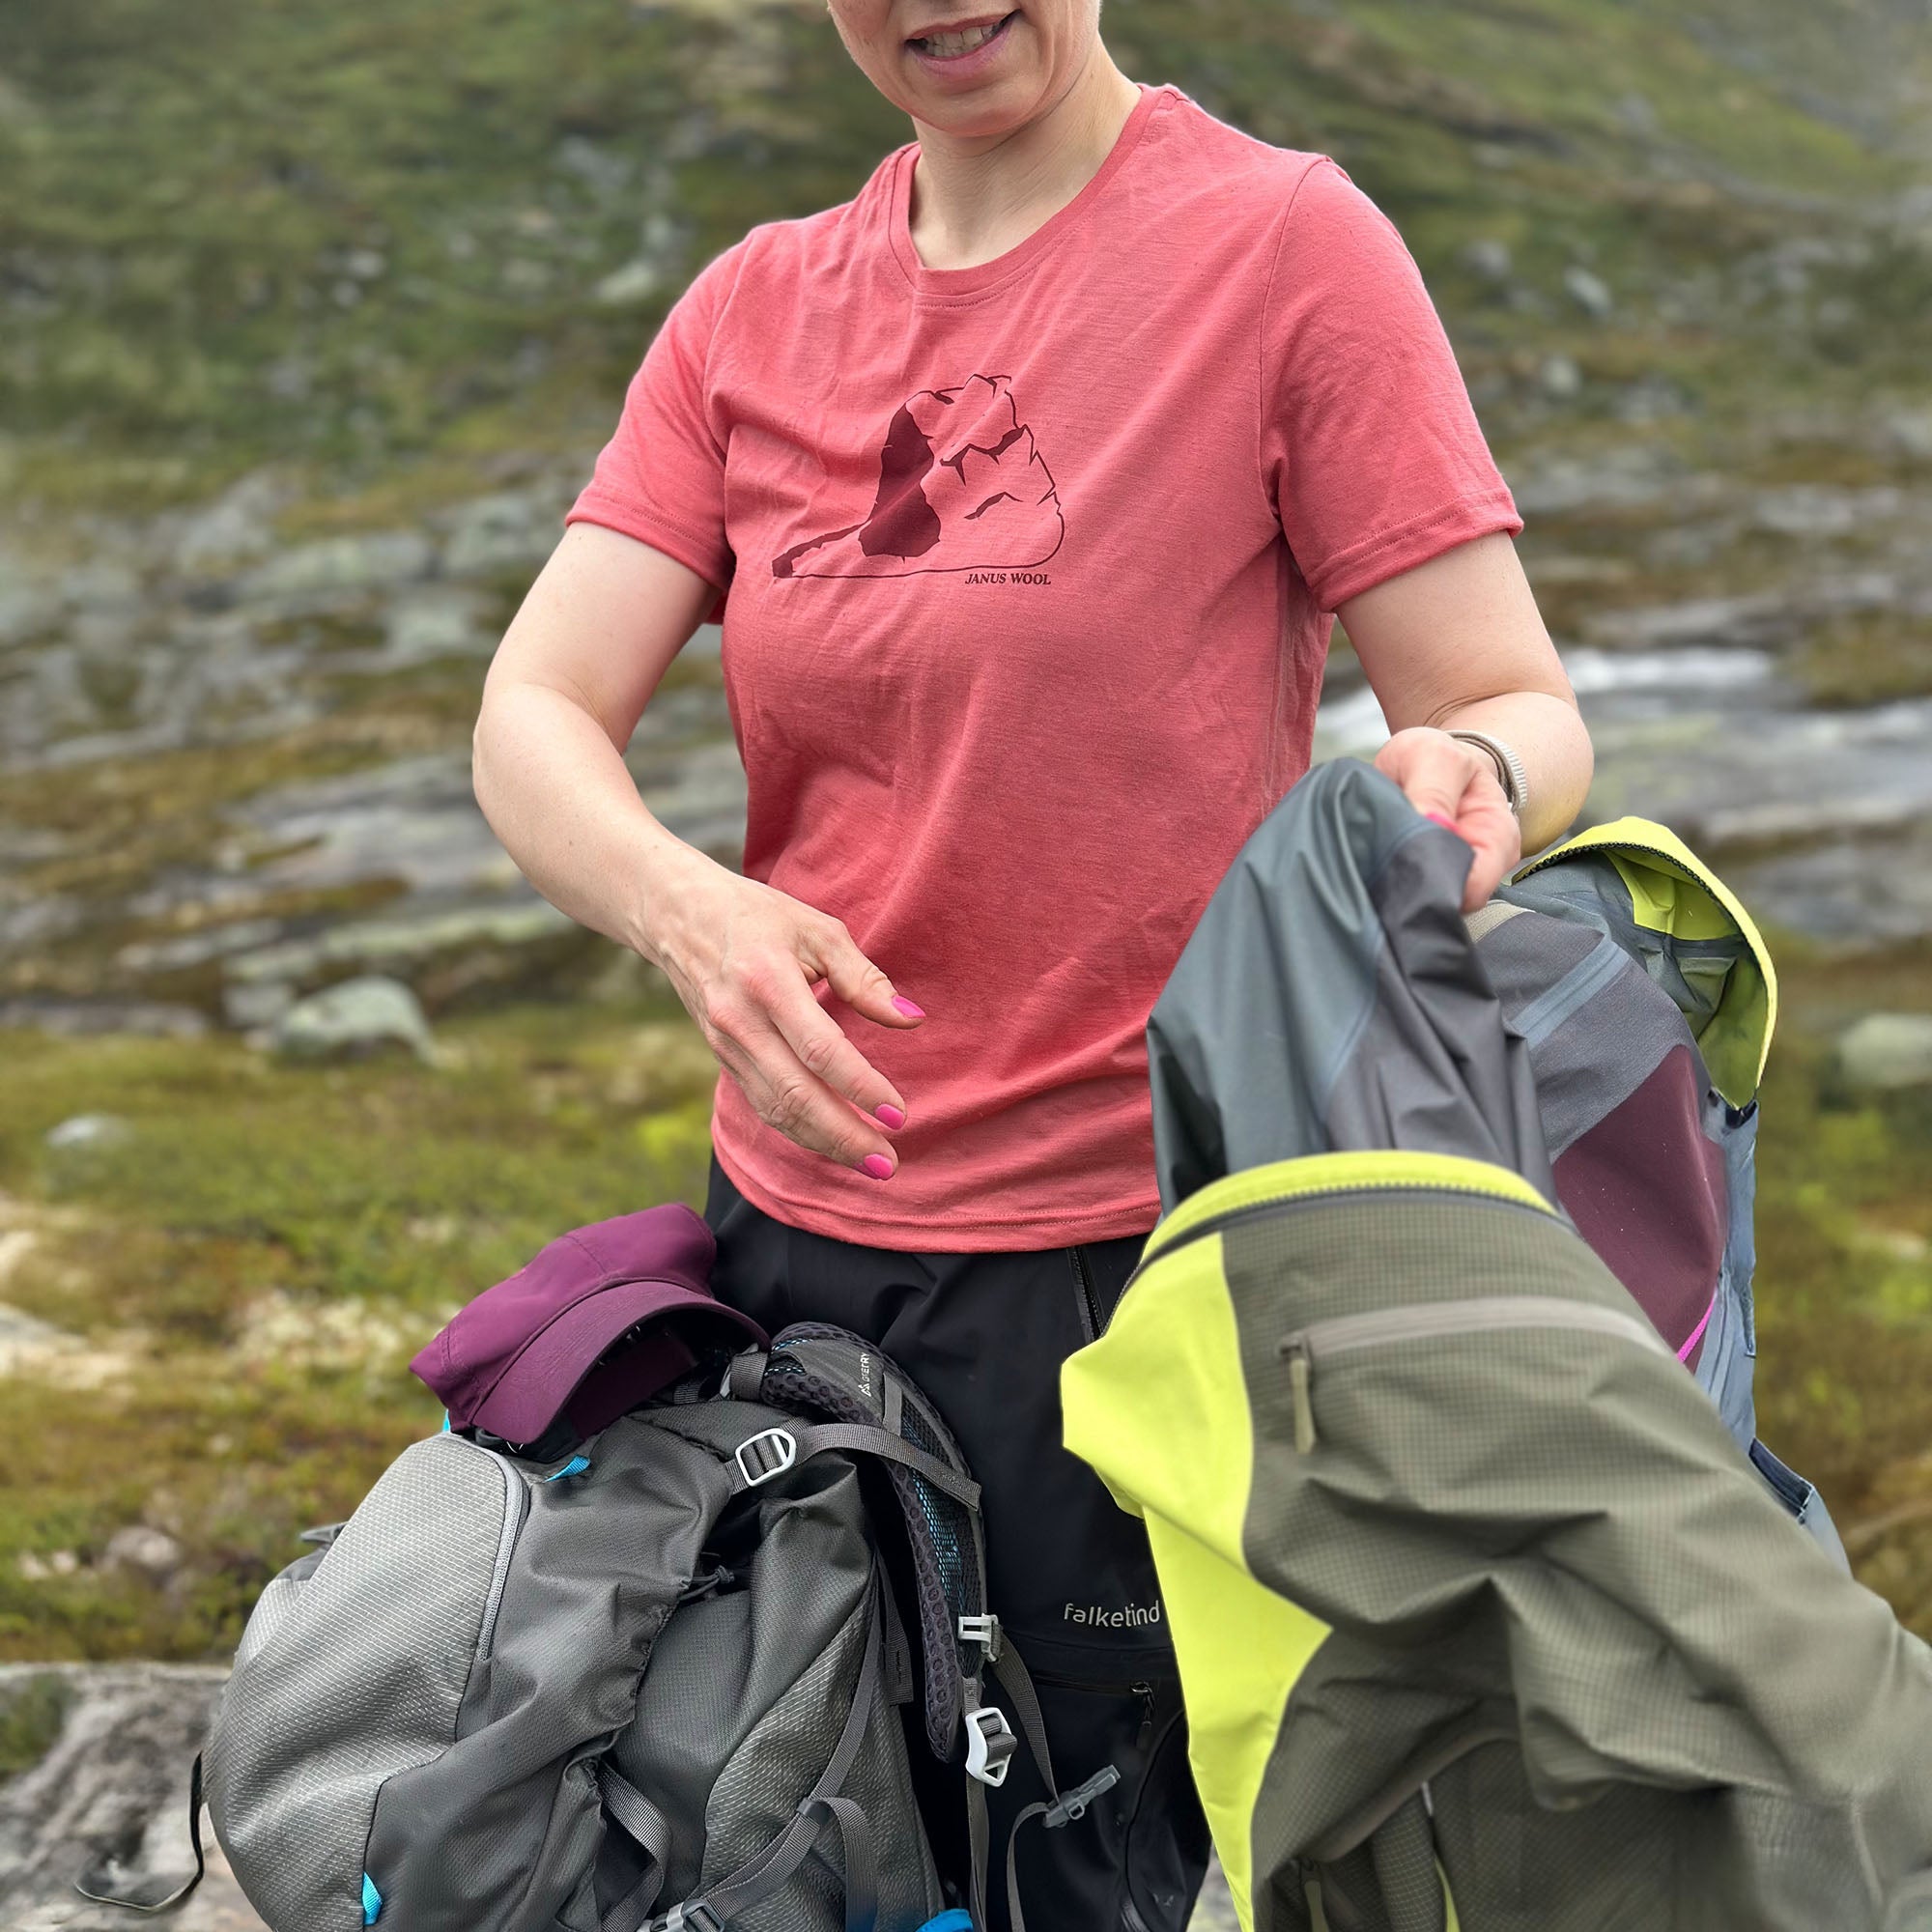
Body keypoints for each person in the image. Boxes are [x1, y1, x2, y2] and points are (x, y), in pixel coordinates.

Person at [472, 0, 1594, 1922]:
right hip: (796, 1250)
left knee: (1107, 1854)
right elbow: (533, 709)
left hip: (1132, 1261)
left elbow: (1510, 700)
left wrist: (1467, 775)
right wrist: (686, 907)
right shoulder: (755, 307)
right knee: (834, 1819)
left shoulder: (1281, 246)